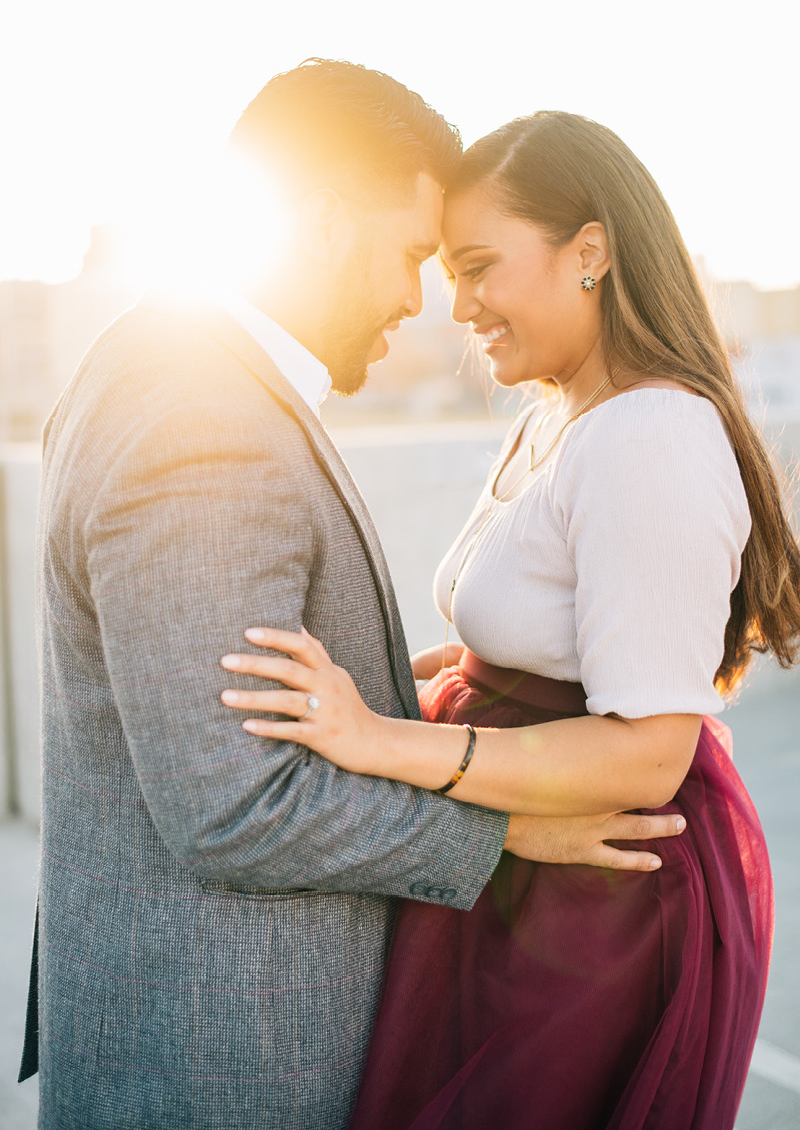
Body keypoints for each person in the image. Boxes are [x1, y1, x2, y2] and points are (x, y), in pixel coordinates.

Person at [19, 71, 682, 1130]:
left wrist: (380, 684)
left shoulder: (161, 365)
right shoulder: (204, 417)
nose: (422, 299)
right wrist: (501, 832)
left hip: (184, 1031)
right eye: (411, 254)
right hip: (230, 1063)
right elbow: (234, 805)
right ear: (325, 226)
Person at [220, 112, 800, 1129]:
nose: (458, 305)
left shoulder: (649, 432)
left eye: (479, 265)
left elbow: (643, 756)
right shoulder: (562, 417)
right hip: (530, 874)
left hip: (600, 902)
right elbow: (562, 636)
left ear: (590, 252)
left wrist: (379, 739)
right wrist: (474, 670)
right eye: (448, 271)